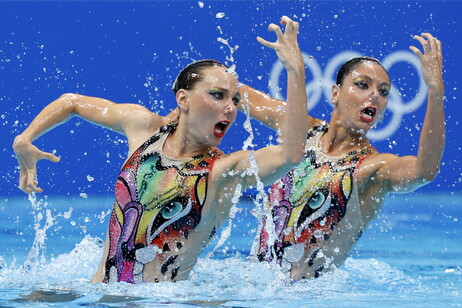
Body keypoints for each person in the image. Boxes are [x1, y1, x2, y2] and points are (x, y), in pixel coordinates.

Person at [12, 16, 308, 283]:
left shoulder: (223, 170)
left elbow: (290, 155)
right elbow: (72, 102)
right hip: (100, 297)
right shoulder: (143, 130)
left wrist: (295, 72)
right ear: (183, 98)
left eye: (235, 100)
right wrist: (25, 139)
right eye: (217, 96)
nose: (229, 108)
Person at [239, 33, 444, 280]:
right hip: (253, 284)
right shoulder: (300, 132)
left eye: (384, 91)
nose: (374, 95)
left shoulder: (372, 168)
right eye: (362, 84)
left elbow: (425, 171)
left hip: (306, 298)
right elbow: (234, 93)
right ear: (335, 93)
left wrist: (435, 90)